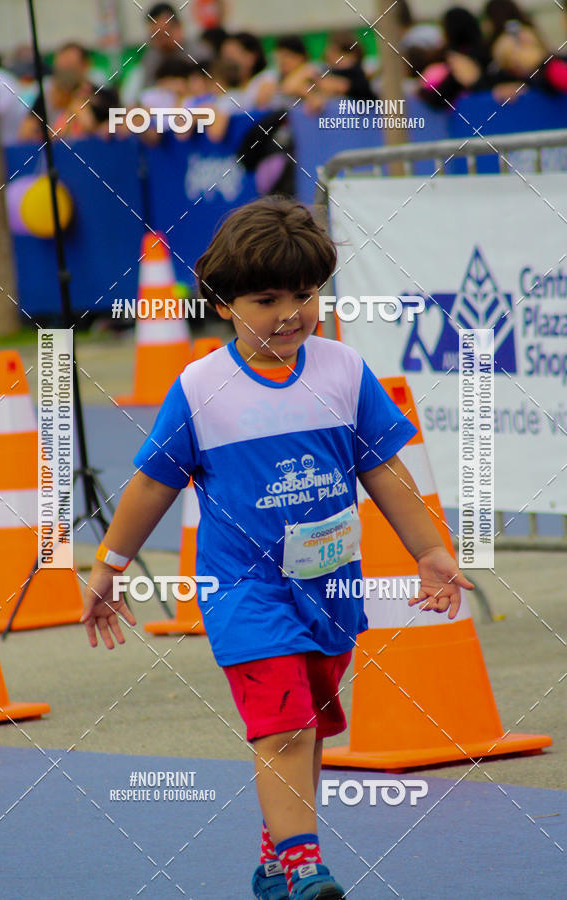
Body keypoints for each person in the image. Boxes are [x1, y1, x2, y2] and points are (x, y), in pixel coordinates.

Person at [81, 197, 474, 900]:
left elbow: (383, 466)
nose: (291, 313)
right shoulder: (202, 388)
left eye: (305, 295)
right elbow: (150, 485)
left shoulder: (342, 371)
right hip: (244, 592)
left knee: (309, 720)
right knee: (284, 719)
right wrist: (109, 566)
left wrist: (430, 551)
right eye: (267, 299)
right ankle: (301, 865)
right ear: (226, 303)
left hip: (330, 587)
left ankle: (273, 857)